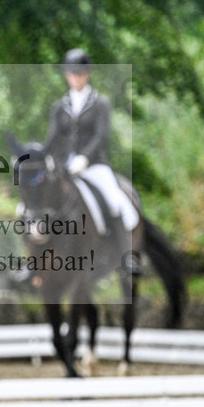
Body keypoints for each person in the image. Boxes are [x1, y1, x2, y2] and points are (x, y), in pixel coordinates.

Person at [43, 48, 140, 267]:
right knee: (40, 203)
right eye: (72, 74)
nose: (76, 78)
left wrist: (85, 158)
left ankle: (127, 257)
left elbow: (101, 136)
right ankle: (36, 262)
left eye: (80, 73)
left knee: (116, 201)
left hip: (94, 165)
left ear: (87, 74)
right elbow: (52, 139)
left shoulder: (100, 103)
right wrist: (39, 156)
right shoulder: (59, 106)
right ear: (67, 75)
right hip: (64, 167)